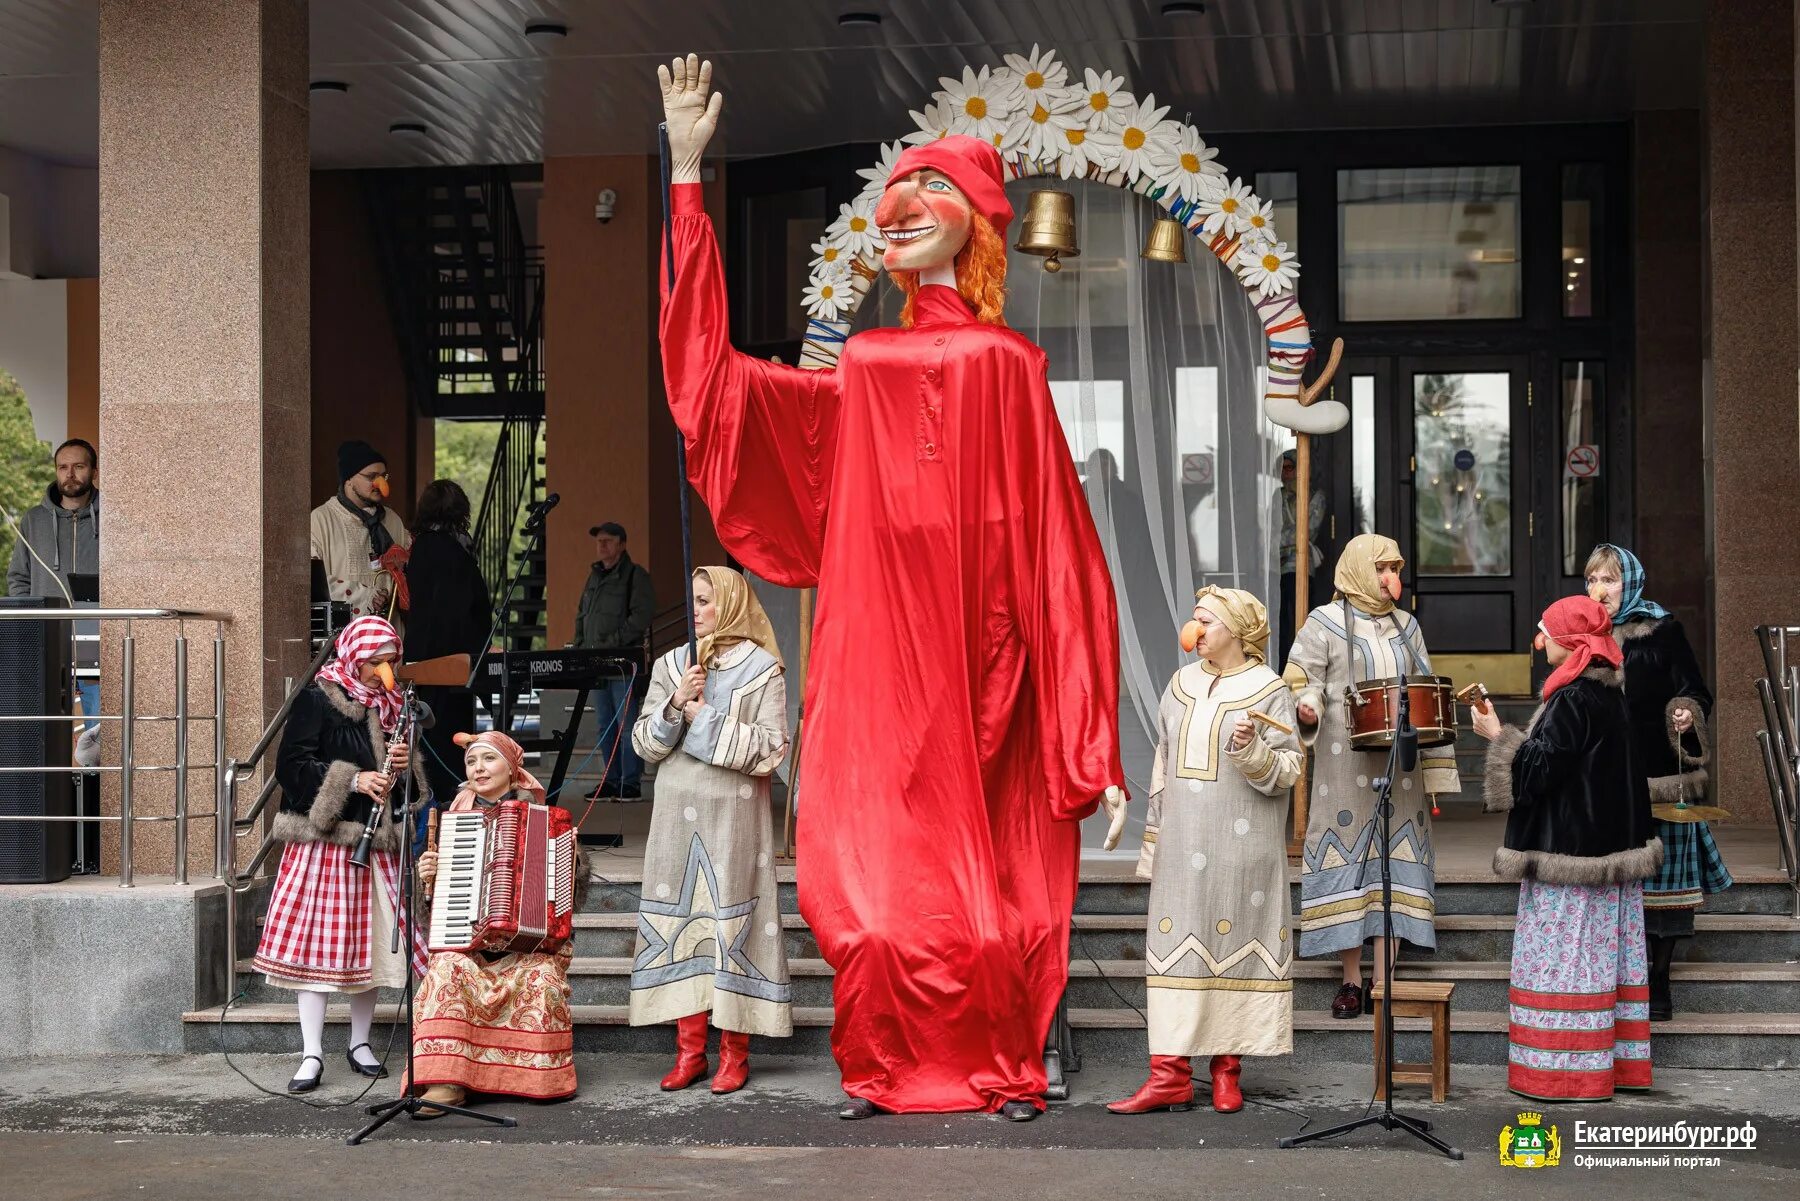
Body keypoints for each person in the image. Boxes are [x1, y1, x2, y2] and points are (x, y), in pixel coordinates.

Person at [658, 58, 1124, 1121]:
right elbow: (712, 381)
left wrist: (1086, 730)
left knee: (991, 897)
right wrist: (687, 180)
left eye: (935, 190)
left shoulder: (1007, 367)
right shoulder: (861, 364)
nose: (905, 209)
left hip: (979, 661)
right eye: (898, 192)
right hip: (874, 669)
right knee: (860, 897)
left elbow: (1062, 548)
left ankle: (1003, 1067)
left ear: (980, 223)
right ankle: (878, 1066)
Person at [1110, 588, 1301, 1117]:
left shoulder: (1269, 688)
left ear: (1236, 631)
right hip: (1183, 847)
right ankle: (1168, 1075)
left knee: (1236, 942)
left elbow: (1290, 769)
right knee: (1175, 952)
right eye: (1193, 620)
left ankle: (1226, 1072)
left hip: (1244, 852)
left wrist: (1250, 748)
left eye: (1206, 621)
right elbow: (1163, 764)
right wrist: (1154, 840)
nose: (1194, 630)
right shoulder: (1179, 684)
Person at [1473, 595, 1660, 1102]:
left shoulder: (1573, 698)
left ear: (1573, 643)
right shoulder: (1607, 694)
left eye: (1547, 632)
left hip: (1570, 858)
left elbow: (1538, 772)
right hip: (1605, 854)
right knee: (1599, 960)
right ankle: (1604, 1066)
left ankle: (1562, 1072)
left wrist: (1497, 734)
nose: (1540, 641)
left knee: (1567, 959)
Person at [629, 566, 792, 1094]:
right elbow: (643, 746)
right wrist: (676, 703)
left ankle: (734, 1055)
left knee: (729, 926)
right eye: (692, 600)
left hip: (734, 818)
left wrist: (704, 717)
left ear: (731, 603)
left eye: (705, 600)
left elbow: (772, 750)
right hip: (676, 818)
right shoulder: (671, 664)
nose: (696, 610)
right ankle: (690, 1052)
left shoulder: (764, 669)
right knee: (683, 923)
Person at [1286, 534, 1461, 1017]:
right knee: (1349, 864)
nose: (1391, 580)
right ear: (1359, 571)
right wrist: (1307, 704)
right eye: (1382, 570)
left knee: (1393, 862)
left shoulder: (1407, 626)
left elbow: (1424, 681)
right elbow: (1302, 677)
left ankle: (1382, 982)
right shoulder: (1323, 622)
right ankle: (1349, 981)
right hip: (1344, 766)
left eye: (1396, 571)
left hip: (1399, 768)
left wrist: (1435, 753)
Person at [251, 616, 428, 1093]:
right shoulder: (319, 697)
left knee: (367, 947)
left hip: (377, 843)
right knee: (318, 952)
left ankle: (360, 1043)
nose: (383, 670)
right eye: (375, 661)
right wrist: (352, 780)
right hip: (326, 842)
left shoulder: (393, 706)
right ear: (353, 656)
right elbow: (291, 765)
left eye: (391, 661)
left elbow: (408, 786)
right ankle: (310, 1052)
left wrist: (403, 765)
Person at [1584, 543, 1730, 1021]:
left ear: (1630, 582)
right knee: (1617, 886)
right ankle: (1621, 979)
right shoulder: (1582, 633)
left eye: (1609, 579)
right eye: (1592, 580)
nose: (1599, 589)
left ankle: (1659, 980)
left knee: (1665, 891)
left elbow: (1696, 689)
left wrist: (1684, 712)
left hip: (1661, 779)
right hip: (1607, 781)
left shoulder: (1662, 630)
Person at [411, 730, 588, 1115]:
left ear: (512, 768)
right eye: (472, 762)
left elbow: (569, 902)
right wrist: (426, 878)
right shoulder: (446, 819)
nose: (479, 768)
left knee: (539, 975)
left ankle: (530, 1078)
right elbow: (430, 911)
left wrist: (568, 865)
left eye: (488, 759)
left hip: (528, 948)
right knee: (446, 968)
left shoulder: (545, 819)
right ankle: (445, 1082)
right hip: (469, 944)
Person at [403, 479, 492, 839]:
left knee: (427, 746)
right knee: (454, 745)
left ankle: (429, 825)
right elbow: (471, 610)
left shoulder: (420, 549)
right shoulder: (458, 551)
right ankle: (453, 822)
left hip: (425, 663)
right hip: (457, 666)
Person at [6, 438, 102, 737]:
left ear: (94, 472)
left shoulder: (114, 519)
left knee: (100, 727)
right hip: (48, 636)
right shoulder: (34, 520)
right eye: (63, 467)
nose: (69, 474)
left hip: (96, 637)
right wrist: (32, 618)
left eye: (78, 466)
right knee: (43, 730)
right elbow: (18, 578)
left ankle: (99, 783)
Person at [574, 521, 655, 799]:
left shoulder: (635, 576)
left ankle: (630, 782)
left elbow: (640, 617)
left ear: (621, 544)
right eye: (599, 541)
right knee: (604, 724)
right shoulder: (594, 577)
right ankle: (610, 780)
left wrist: (611, 644)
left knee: (627, 723)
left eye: (608, 541)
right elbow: (582, 615)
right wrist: (581, 648)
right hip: (596, 664)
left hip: (621, 663)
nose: (602, 546)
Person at [311, 440, 410, 620]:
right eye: (372, 476)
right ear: (348, 479)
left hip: (388, 632)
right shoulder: (321, 520)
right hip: (347, 636)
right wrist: (366, 597)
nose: (379, 483)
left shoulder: (393, 520)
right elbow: (312, 581)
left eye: (383, 476)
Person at [1272, 448, 1325, 669]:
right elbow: (1270, 531)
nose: (1285, 474)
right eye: (1282, 469)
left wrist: (1287, 537)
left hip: (1301, 566)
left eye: (1290, 468)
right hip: (1276, 567)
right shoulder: (1279, 496)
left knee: (1301, 617)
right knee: (1281, 620)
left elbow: (1307, 531)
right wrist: (1288, 537)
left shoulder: (1314, 497)